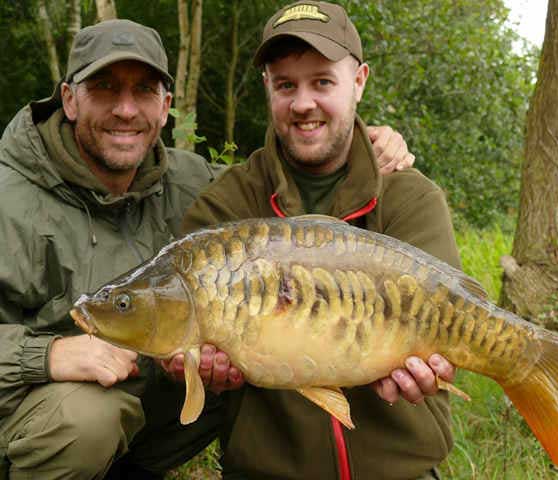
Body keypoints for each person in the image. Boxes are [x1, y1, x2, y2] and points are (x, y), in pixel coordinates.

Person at [0, 18, 414, 480]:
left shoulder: (191, 181)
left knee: (264, 347)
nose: (125, 109)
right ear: (69, 99)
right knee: (84, 419)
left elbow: (274, 187)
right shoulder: (8, 197)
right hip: (40, 412)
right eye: (104, 89)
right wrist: (45, 354)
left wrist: (361, 143)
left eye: (143, 92)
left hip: (139, 421)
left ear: (166, 106)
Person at [181, 2, 461, 479]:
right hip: (267, 470)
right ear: (268, 88)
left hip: (399, 469)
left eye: (322, 82)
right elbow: (183, 344)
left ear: (359, 81)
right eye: (286, 84)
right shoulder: (227, 205)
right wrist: (194, 367)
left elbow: (455, 324)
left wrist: (440, 366)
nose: (303, 102)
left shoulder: (410, 197)